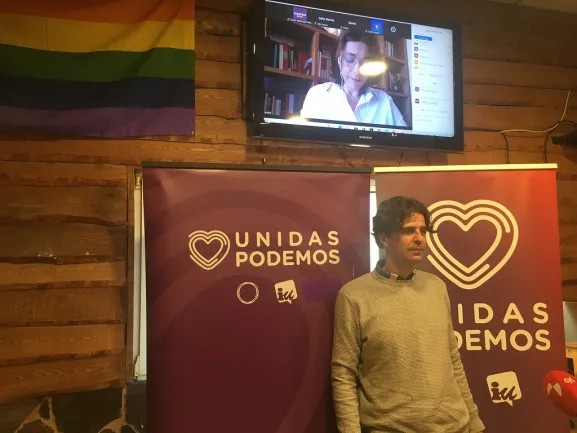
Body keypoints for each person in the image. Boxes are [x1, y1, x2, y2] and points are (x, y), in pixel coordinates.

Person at [331, 196, 485, 433]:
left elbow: (452, 358)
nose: (419, 238)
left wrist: (473, 419)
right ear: (384, 238)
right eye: (408, 231)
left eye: (423, 230)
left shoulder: (436, 287)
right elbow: (343, 374)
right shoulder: (353, 296)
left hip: (455, 426)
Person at [300, 30, 406, 127]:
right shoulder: (317, 95)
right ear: (339, 61)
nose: (357, 71)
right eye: (350, 59)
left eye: (365, 63)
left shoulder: (385, 101)